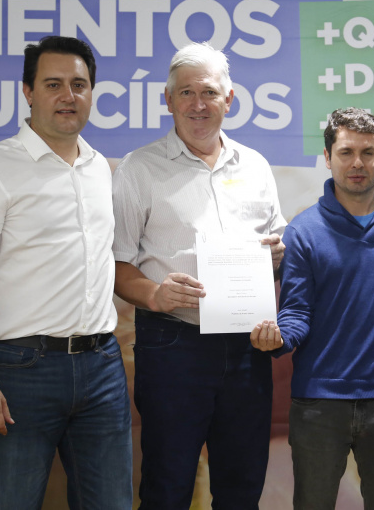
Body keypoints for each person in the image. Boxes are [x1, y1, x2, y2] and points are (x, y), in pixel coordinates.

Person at [0, 36, 132, 509]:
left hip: (102, 367)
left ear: (92, 92)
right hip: (18, 372)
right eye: (53, 84)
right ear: (28, 92)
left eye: (79, 84)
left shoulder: (100, 170)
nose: (68, 96)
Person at [112, 42, 286, 509]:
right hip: (173, 346)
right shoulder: (138, 170)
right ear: (167, 100)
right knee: (167, 487)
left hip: (247, 346)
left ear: (229, 99)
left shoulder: (256, 166)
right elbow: (116, 266)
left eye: (208, 92)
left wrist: (277, 257)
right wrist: (154, 293)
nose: (197, 104)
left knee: (242, 487)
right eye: (185, 92)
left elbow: (278, 247)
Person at [251, 107, 374, 510]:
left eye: (368, 153)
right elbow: (296, 311)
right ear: (327, 157)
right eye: (345, 152)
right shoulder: (302, 230)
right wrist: (279, 339)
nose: (357, 163)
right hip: (319, 405)